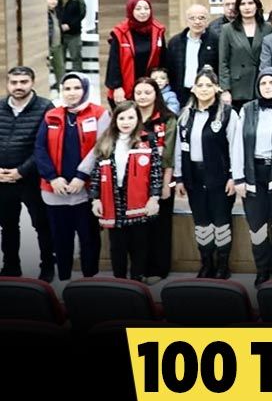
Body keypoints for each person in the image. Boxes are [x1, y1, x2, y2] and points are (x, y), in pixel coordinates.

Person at [36, 73, 108, 281]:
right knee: (60, 239)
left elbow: (101, 147)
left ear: (85, 89)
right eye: (67, 89)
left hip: (85, 190)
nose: (72, 93)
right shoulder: (51, 115)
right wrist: (52, 178)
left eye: (77, 88)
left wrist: (81, 176)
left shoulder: (99, 113)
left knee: (89, 238)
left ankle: (89, 280)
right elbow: (39, 147)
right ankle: (64, 279)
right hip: (55, 190)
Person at [231, 68, 272, 286]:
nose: (267, 87)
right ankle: (262, 270)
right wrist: (239, 178)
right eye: (263, 83)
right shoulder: (247, 109)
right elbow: (238, 145)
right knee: (257, 226)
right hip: (253, 173)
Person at [84, 101, 161, 281]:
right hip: (112, 199)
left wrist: (154, 198)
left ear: (138, 119)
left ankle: (137, 280)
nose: (126, 122)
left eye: (131, 117)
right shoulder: (106, 141)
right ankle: (120, 281)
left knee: (139, 244)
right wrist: (95, 199)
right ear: (115, 120)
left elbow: (155, 171)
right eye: (122, 118)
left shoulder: (147, 140)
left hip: (139, 199)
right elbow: (96, 173)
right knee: (117, 246)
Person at [174, 68, 238, 279]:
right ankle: (206, 263)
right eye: (200, 85)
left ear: (217, 88)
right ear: (193, 88)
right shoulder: (185, 115)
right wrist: (179, 177)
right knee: (202, 224)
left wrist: (233, 176)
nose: (203, 89)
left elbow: (235, 147)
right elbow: (179, 148)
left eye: (208, 85)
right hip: (194, 177)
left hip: (220, 177)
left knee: (221, 222)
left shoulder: (227, 113)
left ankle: (222, 266)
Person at [0, 66, 55, 280]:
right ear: (7, 84)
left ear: (32, 82)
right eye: (14, 82)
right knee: (8, 226)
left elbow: (46, 146)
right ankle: (11, 268)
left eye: (23, 82)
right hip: (3, 178)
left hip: (32, 178)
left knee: (42, 224)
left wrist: (21, 171)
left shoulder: (45, 107)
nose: (18, 86)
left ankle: (47, 267)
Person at [131, 77, 176, 281]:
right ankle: (139, 268)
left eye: (147, 92)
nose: (142, 96)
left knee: (160, 227)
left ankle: (158, 270)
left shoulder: (168, 119)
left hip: (161, 179)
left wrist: (165, 184)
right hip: (134, 182)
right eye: (138, 92)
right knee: (138, 227)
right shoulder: (128, 116)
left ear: (156, 94)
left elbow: (169, 154)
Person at [105, 0, 166, 106]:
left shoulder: (158, 31)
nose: (143, 12)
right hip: (125, 90)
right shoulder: (120, 32)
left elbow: (163, 59)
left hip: (149, 90)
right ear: (130, 10)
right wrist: (117, 87)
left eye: (146, 8)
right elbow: (114, 62)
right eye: (138, 9)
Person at [217, 0, 270, 109]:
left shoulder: (268, 28)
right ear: (238, 7)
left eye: (250, 3)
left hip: (261, 84)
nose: (247, 7)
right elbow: (223, 61)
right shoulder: (228, 29)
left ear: (257, 5)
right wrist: (225, 90)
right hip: (238, 87)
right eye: (242, 4)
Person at [165, 4, 220, 108]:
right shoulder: (175, 42)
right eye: (192, 18)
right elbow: (170, 69)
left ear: (207, 21)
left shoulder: (216, 41)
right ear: (186, 21)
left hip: (207, 94)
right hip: (181, 94)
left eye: (201, 18)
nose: (197, 22)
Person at [55, 0, 87, 74]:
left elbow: (81, 14)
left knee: (76, 57)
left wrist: (70, 25)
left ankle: (78, 77)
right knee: (60, 59)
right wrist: (59, 25)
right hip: (60, 34)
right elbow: (54, 14)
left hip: (74, 34)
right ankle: (61, 79)